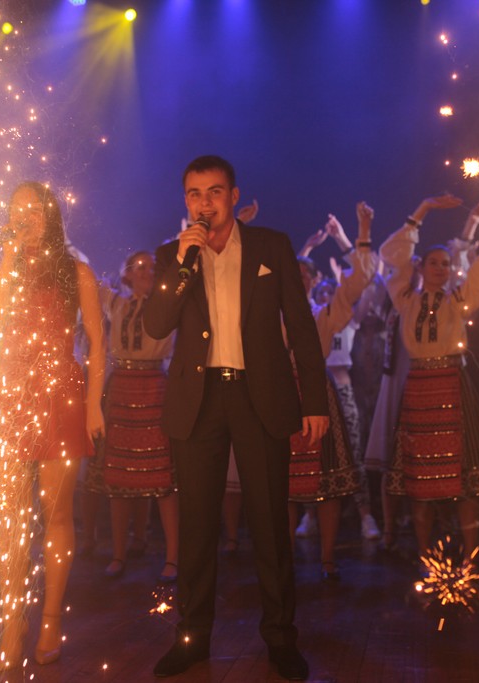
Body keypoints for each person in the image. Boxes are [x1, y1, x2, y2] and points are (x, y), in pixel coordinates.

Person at [144, 155, 329, 681]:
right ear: (186, 200)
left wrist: (314, 400)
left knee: (270, 524)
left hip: (258, 395)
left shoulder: (271, 246)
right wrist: (184, 263)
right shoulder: (174, 255)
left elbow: (301, 324)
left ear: (233, 195)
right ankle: (191, 638)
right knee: (197, 528)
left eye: (214, 192)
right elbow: (157, 324)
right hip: (199, 400)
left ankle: (281, 639)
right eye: (194, 194)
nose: (204, 203)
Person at [379, 192, 479, 567]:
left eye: (446, 264)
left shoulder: (458, 300)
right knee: (420, 482)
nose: (440, 269)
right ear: (421, 268)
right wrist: (423, 209)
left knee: (465, 479)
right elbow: (393, 255)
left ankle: (470, 557)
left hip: (452, 384)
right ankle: (424, 556)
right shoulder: (405, 299)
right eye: (433, 263)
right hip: (420, 389)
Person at [0, 181, 106, 668]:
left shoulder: (76, 270)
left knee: (55, 514)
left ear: (52, 216)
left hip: (60, 393)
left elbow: (98, 341)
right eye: (17, 211)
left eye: (35, 210)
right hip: (11, 393)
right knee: (10, 519)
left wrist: (95, 404)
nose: (26, 218)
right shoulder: (3, 268)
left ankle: (52, 618)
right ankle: (11, 622)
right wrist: (7, 260)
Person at [288, 202, 377, 580]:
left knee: (328, 475)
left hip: (316, 392)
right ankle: (282, 559)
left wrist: (362, 232)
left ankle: (327, 558)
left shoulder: (322, 315)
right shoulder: (266, 313)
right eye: (293, 276)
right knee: (282, 481)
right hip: (279, 396)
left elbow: (359, 281)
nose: (299, 280)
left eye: (305, 276)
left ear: (312, 281)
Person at [101, 250, 179, 583]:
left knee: (162, 476)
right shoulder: (116, 304)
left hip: (154, 386)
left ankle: (173, 557)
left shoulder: (167, 302)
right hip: (122, 387)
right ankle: (118, 554)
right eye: (140, 267)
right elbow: (85, 279)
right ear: (128, 274)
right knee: (118, 474)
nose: (147, 272)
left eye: (152, 267)